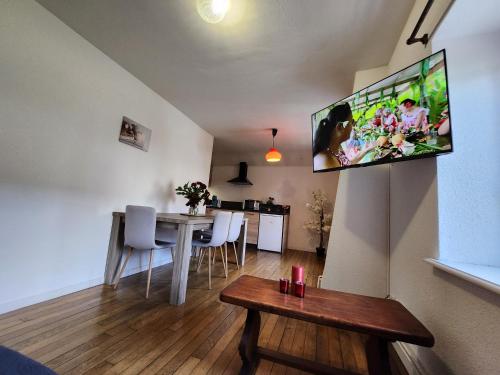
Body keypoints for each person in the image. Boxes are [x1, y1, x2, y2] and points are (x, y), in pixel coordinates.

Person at [313, 103, 376, 170]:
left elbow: (348, 164)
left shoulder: (336, 149)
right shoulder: (325, 162)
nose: (353, 126)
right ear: (340, 127)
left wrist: (365, 150)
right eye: (351, 122)